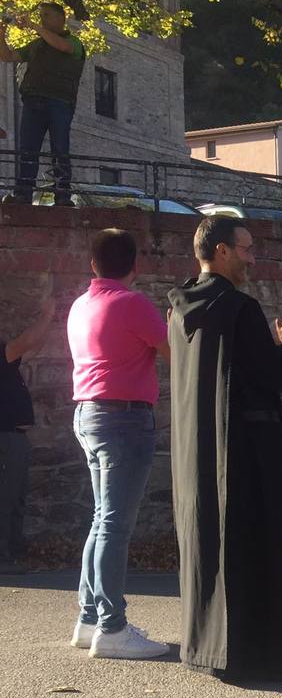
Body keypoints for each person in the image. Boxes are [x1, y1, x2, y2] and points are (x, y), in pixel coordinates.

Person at [168, 217, 282, 681]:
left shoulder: (179, 307)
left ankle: (211, 647)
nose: (252, 256)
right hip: (249, 449)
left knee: (214, 543)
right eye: (246, 248)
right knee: (267, 541)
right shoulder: (238, 308)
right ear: (222, 251)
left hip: (199, 446)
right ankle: (267, 653)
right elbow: (266, 379)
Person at [66, 229, 171, 659]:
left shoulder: (80, 304)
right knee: (114, 524)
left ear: (93, 264)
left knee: (101, 519)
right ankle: (113, 627)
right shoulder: (132, 304)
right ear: (136, 265)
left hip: (89, 414)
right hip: (123, 417)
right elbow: (172, 352)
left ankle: (90, 618)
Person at [0, 3, 86, 205]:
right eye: (41, 16)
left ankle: (62, 194)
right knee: (28, 149)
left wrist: (33, 26)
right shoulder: (36, 45)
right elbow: (8, 56)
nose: (42, 20)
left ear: (60, 19)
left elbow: (61, 46)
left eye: (46, 15)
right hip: (33, 101)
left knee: (59, 149)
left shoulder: (74, 42)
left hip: (60, 102)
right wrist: (1, 35)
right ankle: (23, 194)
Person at [0, 281, 55, 575]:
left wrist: (48, 321)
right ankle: (3, 557)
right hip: (6, 439)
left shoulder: (8, 360)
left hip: (15, 439)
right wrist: (47, 315)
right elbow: (25, 342)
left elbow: (32, 347)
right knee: (6, 498)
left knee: (16, 496)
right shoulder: (2, 353)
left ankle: (14, 551)